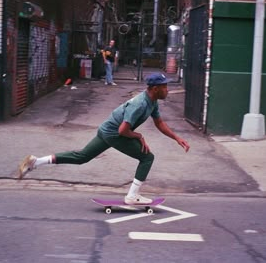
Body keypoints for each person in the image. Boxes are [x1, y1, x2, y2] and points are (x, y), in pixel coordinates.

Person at [17, 73, 190, 204]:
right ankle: (132, 196)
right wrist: (139, 135)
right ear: (154, 89)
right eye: (165, 87)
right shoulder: (139, 104)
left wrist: (176, 138)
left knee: (82, 157)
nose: (167, 90)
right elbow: (123, 130)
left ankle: (35, 162)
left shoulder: (152, 102)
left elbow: (159, 122)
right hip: (114, 134)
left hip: (106, 130)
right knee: (147, 157)